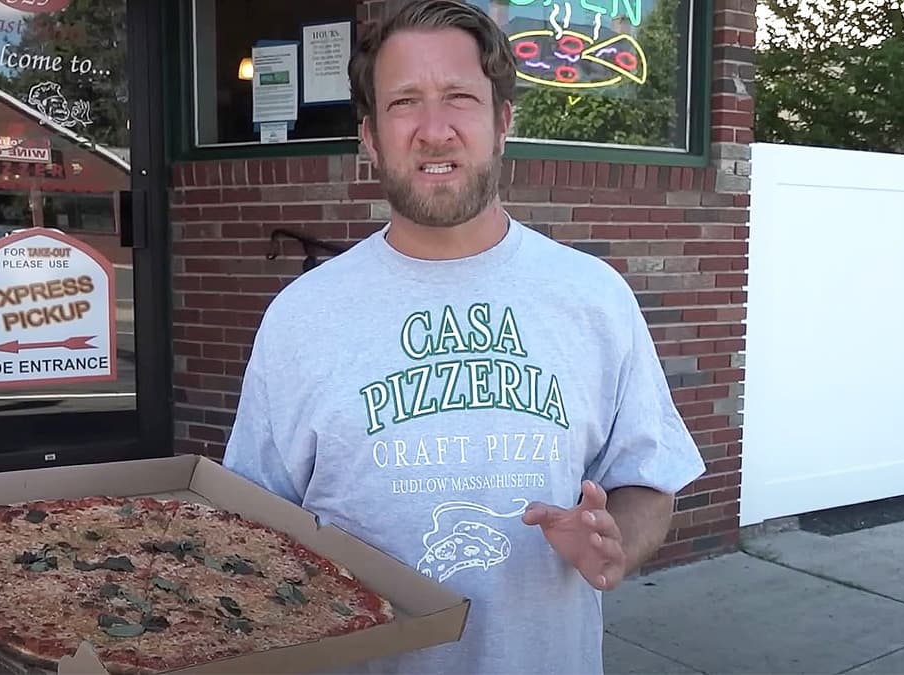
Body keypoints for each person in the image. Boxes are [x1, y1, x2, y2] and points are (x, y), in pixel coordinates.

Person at [222, 0, 706, 672]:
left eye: (459, 98)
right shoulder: (301, 317)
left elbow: (648, 478)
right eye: (404, 102)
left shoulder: (593, 297)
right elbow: (250, 527)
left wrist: (615, 538)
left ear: (503, 121)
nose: (435, 129)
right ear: (369, 137)